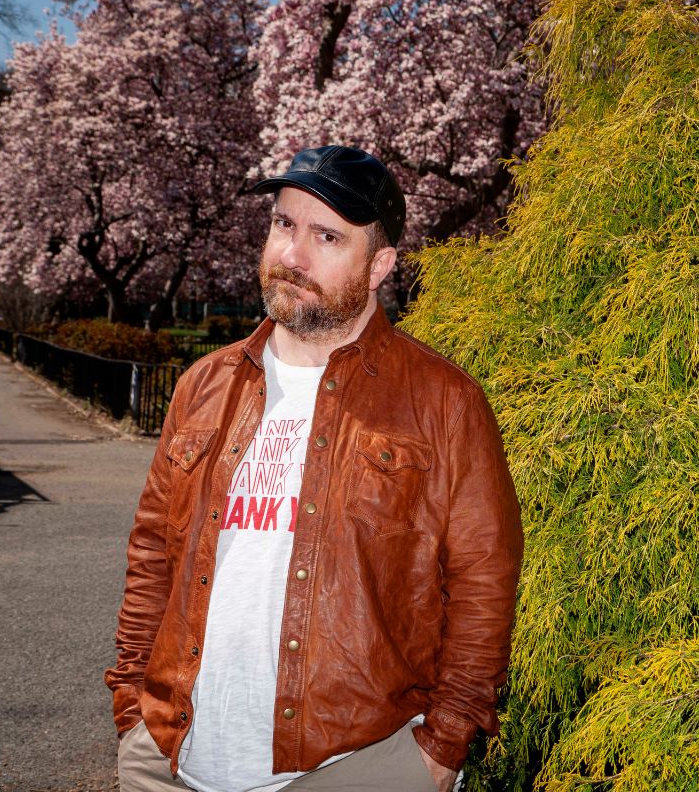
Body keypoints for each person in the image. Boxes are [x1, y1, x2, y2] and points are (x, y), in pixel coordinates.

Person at [105, 145, 524, 792]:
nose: (292, 255)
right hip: (171, 759)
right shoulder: (204, 386)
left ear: (380, 263)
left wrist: (441, 748)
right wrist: (132, 709)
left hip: (353, 765)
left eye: (327, 236)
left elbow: (482, 585)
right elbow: (154, 556)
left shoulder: (444, 403)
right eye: (283, 225)